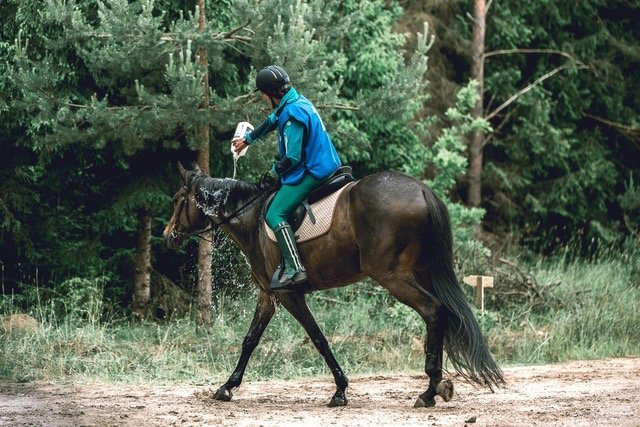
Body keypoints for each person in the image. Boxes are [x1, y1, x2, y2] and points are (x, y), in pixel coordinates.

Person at [232, 65, 342, 292]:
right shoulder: (295, 101)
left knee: (274, 212)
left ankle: (294, 267)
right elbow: (273, 119)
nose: (263, 98)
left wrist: (273, 172)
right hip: (326, 162)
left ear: (270, 93)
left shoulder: (292, 114)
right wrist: (249, 139)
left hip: (314, 171)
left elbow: (292, 157)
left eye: (263, 94)